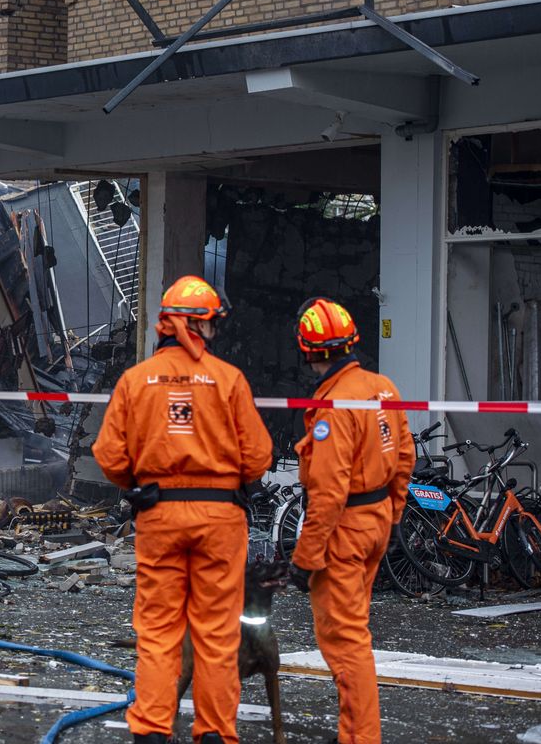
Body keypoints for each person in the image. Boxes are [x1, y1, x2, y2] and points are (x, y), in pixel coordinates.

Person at [94, 274, 273, 744]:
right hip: (221, 520)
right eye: (213, 324)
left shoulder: (136, 381)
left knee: (157, 630)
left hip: (159, 516)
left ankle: (152, 730)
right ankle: (214, 732)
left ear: (167, 326)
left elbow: (110, 457)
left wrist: (139, 480)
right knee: (216, 632)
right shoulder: (228, 380)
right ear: (202, 325)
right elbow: (258, 457)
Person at [288, 297, 415, 744]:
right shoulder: (383, 388)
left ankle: (361, 737)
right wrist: (393, 518)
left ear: (308, 351)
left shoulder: (334, 406)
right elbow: (404, 456)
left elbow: (327, 492)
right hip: (375, 522)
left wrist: (304, 559)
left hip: (344, 531)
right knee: (356, 630)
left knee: (345, 643)